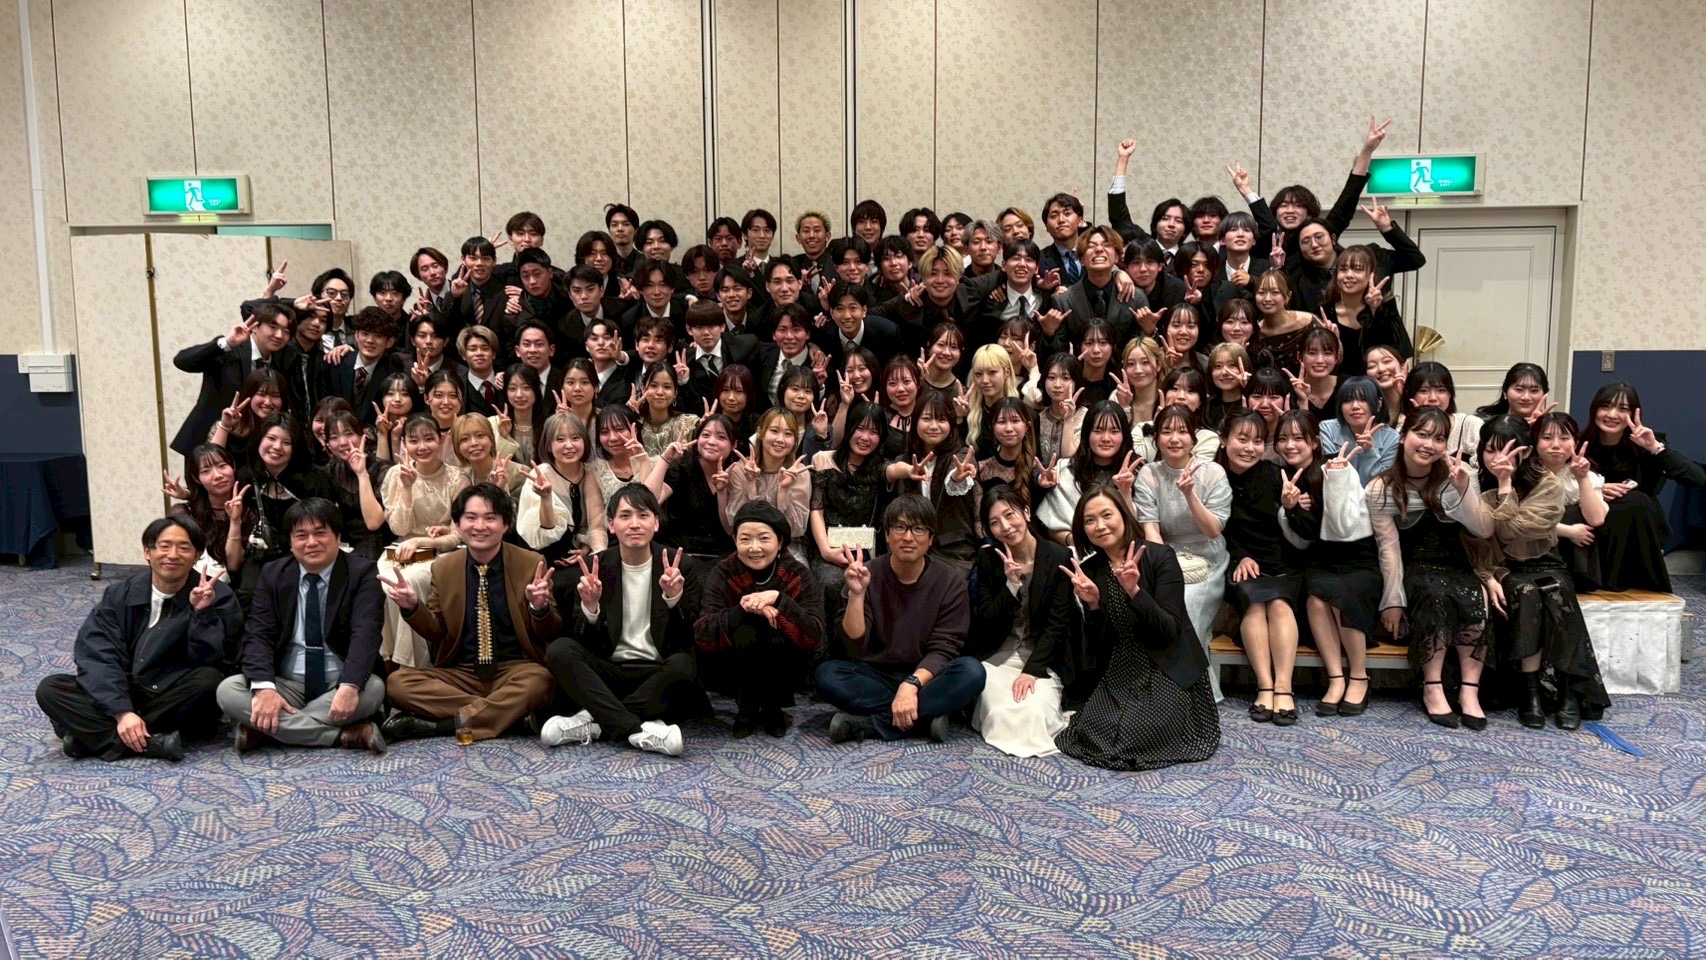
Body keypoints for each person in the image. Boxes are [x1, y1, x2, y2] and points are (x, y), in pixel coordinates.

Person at [37, 516, 242, 761]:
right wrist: (122, 711)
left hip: (173, 691)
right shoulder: (120, 593)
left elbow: (216, 660)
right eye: (164, 546)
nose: (173, 555)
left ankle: (94, 736)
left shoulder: (217, 595)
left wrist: (202, 614)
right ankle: (149, 743)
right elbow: (97, 653)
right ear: (147, 552)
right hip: (126, 686)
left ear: (197, 555)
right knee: (51, 689)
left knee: (210, 682)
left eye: (184, 548)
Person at [1053, 485, 1220, 771]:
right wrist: (1093, 605)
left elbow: (1169, 630)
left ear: (1123, 514)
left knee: (1139, 731)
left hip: (1167, 665)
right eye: (1090, 520)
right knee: (1095, 727)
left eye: (1107, 515)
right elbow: (1099, 643)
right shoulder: (1091, 569)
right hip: (1122, 666)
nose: (1100, 525)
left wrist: (1135, 592)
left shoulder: (1160, 556)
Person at [377, 483, 559, 742]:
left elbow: (551, 630)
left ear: (505, 524)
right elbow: (437, 632)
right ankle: (508, 715)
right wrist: (413, 607)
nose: (480, 526)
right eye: (471, 518)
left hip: (515, 669)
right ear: (458, 525)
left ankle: (437, 726)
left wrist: (539, 607)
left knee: (541, 681)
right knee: (398, 684)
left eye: (490, 518)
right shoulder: (444, 568)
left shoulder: (531, 562)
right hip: (461, 673)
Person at [1470, 416, 1611, 731]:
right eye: (1491, 450)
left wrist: (1505, 486)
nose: (1499, 458)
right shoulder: (1475, 481)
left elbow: (1513, 530)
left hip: (1546, 561)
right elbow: (1480, 538)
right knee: (1527, 595)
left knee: (1559, 594)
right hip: (1503, 565)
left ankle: (1569, 689)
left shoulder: (1547, 482)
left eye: (1510, 450)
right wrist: (1488, 576)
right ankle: (1530, 691)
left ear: (1526, 451)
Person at [544, 484, 704, 756]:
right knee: (560, 650)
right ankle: (639, 729)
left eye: (643, 515)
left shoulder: (678, 565)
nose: (635, 524)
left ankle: (593, 722)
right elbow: (582, 639)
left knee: (684, 664)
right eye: (625, 516)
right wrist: (590, 607)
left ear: (656, 523)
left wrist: (673, 598)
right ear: (611, 525)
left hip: (656, 671)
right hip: (608, 670)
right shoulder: (595, 567)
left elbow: (687, 636)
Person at [217, 498, 388, 752]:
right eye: (301, 535)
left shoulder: (363, 573)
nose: (311, 542)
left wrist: (350, 686)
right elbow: (258, 635)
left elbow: (366, 634)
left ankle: (267, 730)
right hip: (287, 684)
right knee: (228, 690)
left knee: (373, 688)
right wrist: (265, 690)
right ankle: (343, 735)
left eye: (320, 533)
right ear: (290, 541)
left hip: (337, 683)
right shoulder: (273, 574)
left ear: (337, 536)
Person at [1368, 410, 1497, 729]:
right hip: (1414, 565)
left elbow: (1483, 530)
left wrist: (1463, 489)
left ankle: (1469, 691)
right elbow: (1389, 550)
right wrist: (1393, 601)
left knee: (1474, 595)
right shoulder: (1381, 487)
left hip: (1457, 561)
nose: (1429, 444)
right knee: (1434, 593)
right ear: (1403, 436)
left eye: (1439, 438)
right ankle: (1432, 686)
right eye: (1422, 435)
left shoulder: (1460, 473)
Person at [816, 494, 980, 743]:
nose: (908, 537)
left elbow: (945, 648)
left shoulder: (951, 582)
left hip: (926, 676)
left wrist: (911, 684)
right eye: (900, 527)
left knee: (972, 672)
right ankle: (923, 716)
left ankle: (874, 724)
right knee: (827, 675)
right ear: (887, 534)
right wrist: (857, 595)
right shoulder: (866, 574)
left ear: (931, 538)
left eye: (919, 529)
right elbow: (853, 646)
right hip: (876, 674)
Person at [694, 501, 826, 737]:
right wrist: (741, 610)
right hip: (734, 664)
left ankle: (772, 707)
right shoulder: (723, 572)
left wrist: (779, 599)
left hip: (785, 663)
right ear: (735, 540)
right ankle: (746, 707)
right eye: (745, 539)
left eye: (764, 538)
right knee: (747, 629)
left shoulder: (797, 573)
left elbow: (814, 632)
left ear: (780, 541)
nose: (754, 548)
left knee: (775, 630)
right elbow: (703, 632)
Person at [966, 486, 1078, 757]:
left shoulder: (1059, 557)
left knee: (1033, 712)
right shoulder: (989, 558)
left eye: (1010, 515)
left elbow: (1057, 624)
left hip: (1041, 660)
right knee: (1001, 712)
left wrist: (1031, 671)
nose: (1005, 526)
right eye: (995, 522)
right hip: (998, 658)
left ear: (1026, 512)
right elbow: (985, 620)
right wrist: (1011, 586)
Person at [1134, 404, 1233, 701]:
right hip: (1165, 554)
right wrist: (1164, 570)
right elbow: (1151, 529)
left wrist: (1190, 494)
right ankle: (1159, 686)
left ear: (1193, 438)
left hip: (1207, 557)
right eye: (1166, 432)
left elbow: (1213, 529)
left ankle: (1193, 692)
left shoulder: (1213, 472)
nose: (1174, 438)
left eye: (1182, 431)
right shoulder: (1148, 473)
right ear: (1156, 439)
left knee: (1186, 606)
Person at [1219, 410, 1307, 724]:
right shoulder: (1214, 477)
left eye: (1257, 441)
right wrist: (1240, 556)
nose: (1250, 448)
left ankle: (1284, 688)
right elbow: (1217, 530)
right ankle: (1265, 686)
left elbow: (1300, 530)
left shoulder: (1275, 474)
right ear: (1223, 439)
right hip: (1239, 562)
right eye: (1242, 439)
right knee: (1254, 603)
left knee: (1280, 604)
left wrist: (1292, 507)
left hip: (1282, 562)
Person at [1580, 381, 1704, 592]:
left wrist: (1655, 447)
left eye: (1623, 409)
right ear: (1595, 410)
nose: (1612, 414)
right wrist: (1597, 489)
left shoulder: (1646, 443)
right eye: (1605, 406)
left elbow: (1697, 479)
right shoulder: (1579, 443)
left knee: (1636, 500)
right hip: (1595, 523)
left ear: (1634, 413)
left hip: (1637, 527)